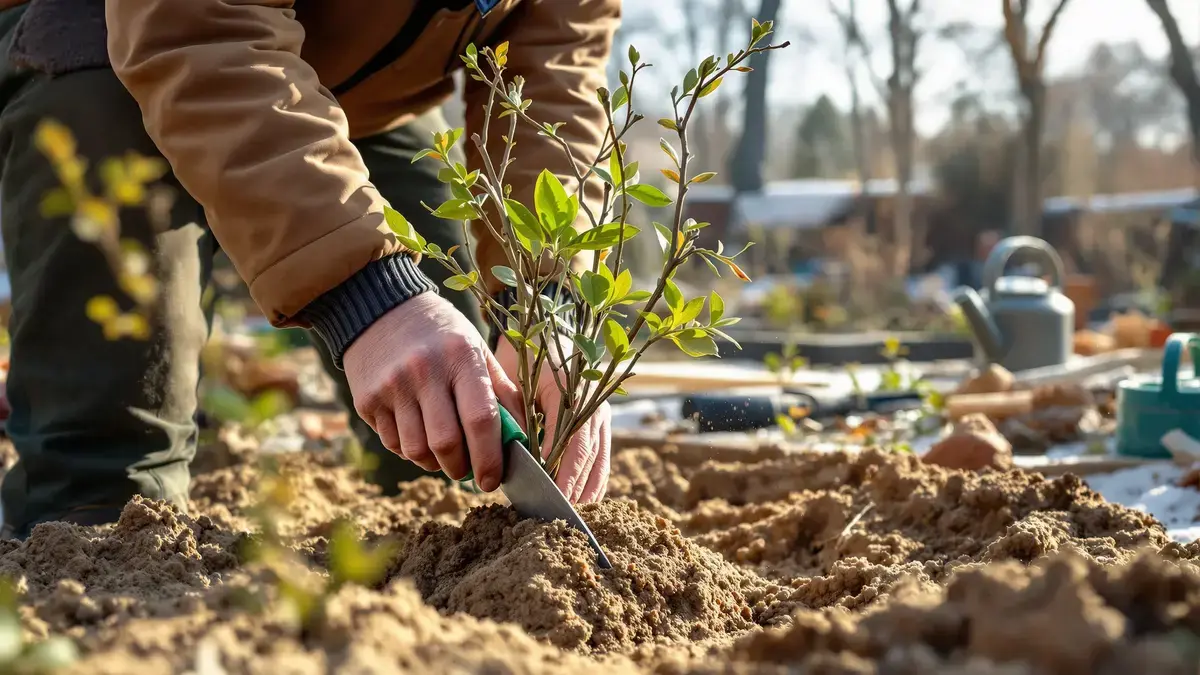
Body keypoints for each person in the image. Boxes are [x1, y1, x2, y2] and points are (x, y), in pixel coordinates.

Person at [0, 0, 619, 539]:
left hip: (359, 96)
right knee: (111, 483)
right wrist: (370, 296)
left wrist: (548, 304)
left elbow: (553, 80)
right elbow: (197, 27)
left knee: (451, 412)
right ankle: (88, 529)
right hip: (112, 35)